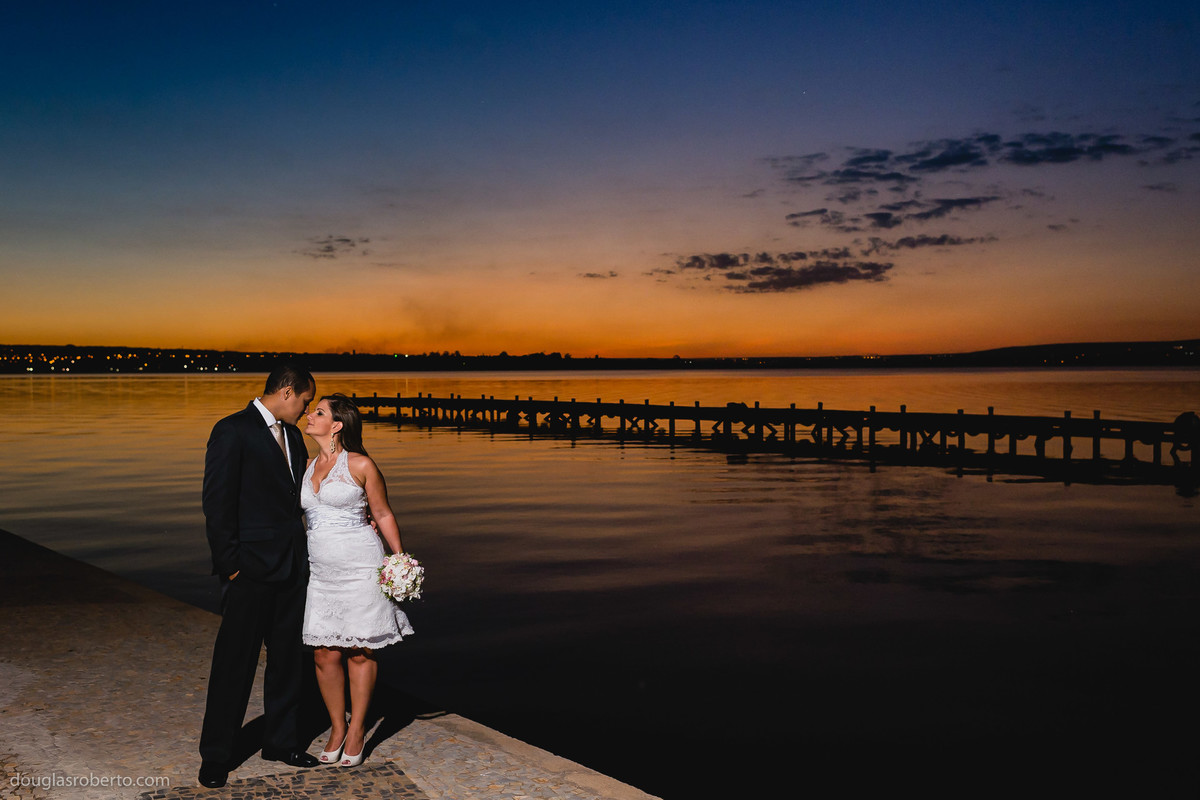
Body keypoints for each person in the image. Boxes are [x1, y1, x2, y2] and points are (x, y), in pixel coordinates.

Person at [198, 364, 321, 788]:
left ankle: (281, 742)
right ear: (288, 392)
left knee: (288, 661)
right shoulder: (233, 430)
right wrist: (231, 564)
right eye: (306, 400)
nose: (307, 410)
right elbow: (217, 503)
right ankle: (216, 755)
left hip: (291, 567)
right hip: (248, 571)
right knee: (234, 664)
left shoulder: (294, 437)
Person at [300, 393, 413, 767]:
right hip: (322, 572)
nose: (309, 415)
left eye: (318, 412)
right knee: (323, 652)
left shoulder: (361, 464)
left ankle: (357, 729)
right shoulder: (305, 463)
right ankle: (337, 725)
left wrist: (399, 561)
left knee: (360, 650)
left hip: (361, 567)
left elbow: (381, 513)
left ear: (337, 425)